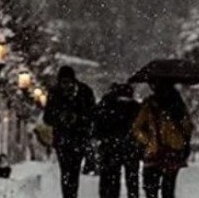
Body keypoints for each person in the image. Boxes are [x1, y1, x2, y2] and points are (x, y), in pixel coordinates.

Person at [132, 80, 193, 198]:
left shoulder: (149, 105)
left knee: (151, 189)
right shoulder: (178, 105)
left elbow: (137, 128)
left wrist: (148, 140)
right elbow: (188, 128)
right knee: (168, 189)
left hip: (153, 152)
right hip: (173, 152)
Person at [44, 66, 96, 198]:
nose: (65, 85)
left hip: (78, 138)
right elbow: (47, 117)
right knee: (66, 171)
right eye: (63, 82)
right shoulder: (55, 93)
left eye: (68, 81)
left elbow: (93, 115)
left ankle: (71, 194)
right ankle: (69, 195)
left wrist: (78, 118)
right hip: (63, 139)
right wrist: (59, 117)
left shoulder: (85, 92)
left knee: (73, 170)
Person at [94, 82, 143, 198]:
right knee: (132, 180)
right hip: (130, 148)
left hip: (110, 148)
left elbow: (97, 127)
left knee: (110, 180)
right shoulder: (135, 107)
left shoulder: (106, 105)